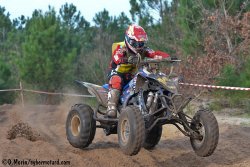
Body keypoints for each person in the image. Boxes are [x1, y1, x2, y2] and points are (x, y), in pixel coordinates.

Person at [107, 24, 170, 118]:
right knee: (117, 80)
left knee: (149, 80)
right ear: (128, 40)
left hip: (133, 75)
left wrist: (166, 57)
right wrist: (123, 59)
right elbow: (116, 57)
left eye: (141, 43)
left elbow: (155, 53)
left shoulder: (144, 50)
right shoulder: (121, 47)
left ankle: (149, 105)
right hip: (118, 73)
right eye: (135, 43)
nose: (138, 46)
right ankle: (111, 108)